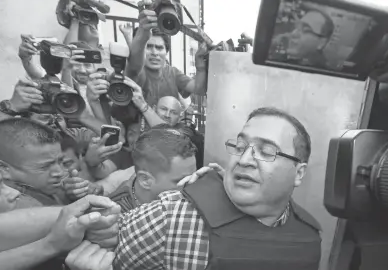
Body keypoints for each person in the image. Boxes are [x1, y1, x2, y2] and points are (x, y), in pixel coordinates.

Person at [68, 107, 321, 270]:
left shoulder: (309, 236)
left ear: (299, 173)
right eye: (240, 147)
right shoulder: (172, 215)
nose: (244, 160)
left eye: (266, 152)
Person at [0, 118, 71, 206]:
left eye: (60, 161)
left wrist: (69, 196)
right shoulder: (16, 205)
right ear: (3, 168)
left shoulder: (41, 188)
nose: (59, 172)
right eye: (45, 166)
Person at [108, 126, 197, 213]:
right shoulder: (116, 216)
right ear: (145, 180)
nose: (192, 185)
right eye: (182, 181)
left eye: (194, 176)